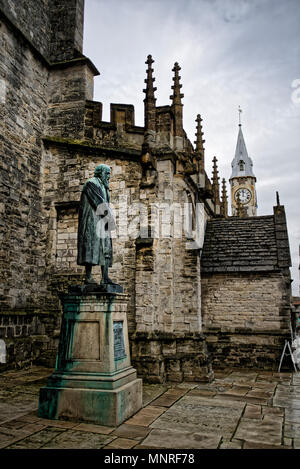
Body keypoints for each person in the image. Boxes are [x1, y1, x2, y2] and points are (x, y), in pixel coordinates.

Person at [77, 164, 116, 284]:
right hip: (91, 220)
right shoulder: (91, 183)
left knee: (106, 248)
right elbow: (99, 202)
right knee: (90, 247)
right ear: (100, 173)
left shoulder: (104, 186)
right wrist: (111, 221)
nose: (109, 177)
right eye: (107, 173)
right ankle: (88, 277)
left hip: (102, 220)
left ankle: (105, 277)